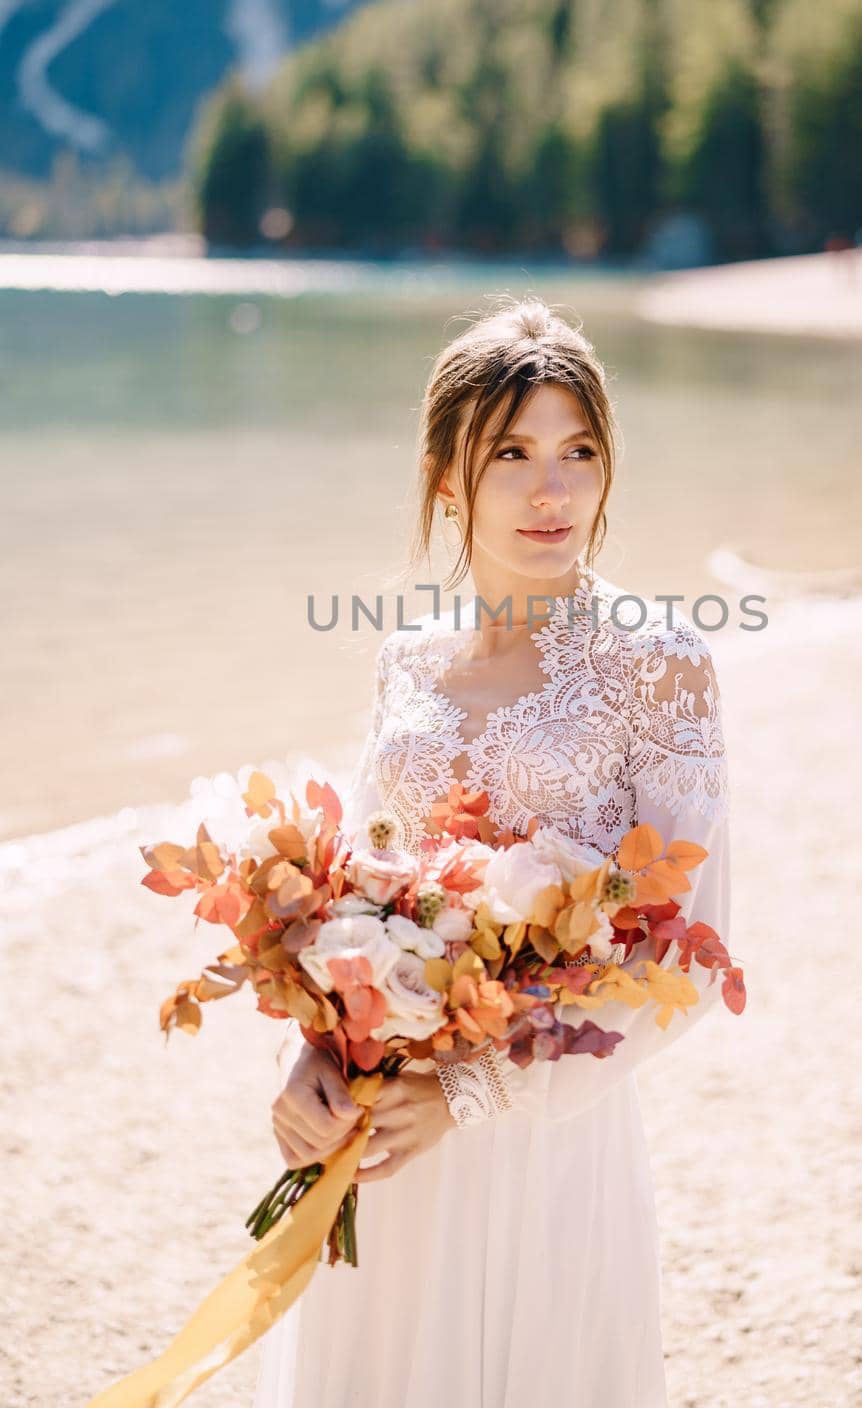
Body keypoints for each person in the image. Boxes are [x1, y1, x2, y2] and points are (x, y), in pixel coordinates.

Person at [253, 295, 732, 1407]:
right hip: (379, 1128)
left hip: (544, 1138)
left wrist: (471, 1093)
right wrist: (311, 1059)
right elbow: (355, 905)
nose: (549, 489)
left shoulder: (658, 664)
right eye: (511, 453)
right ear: (446, 479)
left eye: (577, 452)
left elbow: (692, 959)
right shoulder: (405, 664)